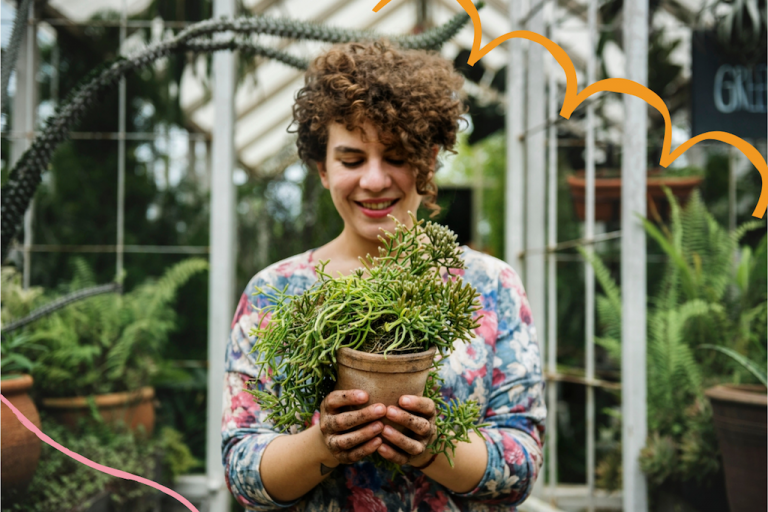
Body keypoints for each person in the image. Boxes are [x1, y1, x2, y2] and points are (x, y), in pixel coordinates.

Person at [222, 40, 546, 511]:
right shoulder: (274, 291)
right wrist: (324, 443)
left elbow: (522, 462)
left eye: (395, 156)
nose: (374, 180)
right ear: (323, 169)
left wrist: (430, 446)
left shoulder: (490, 286)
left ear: (428, 161)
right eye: (351, 160)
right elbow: (242, 468)